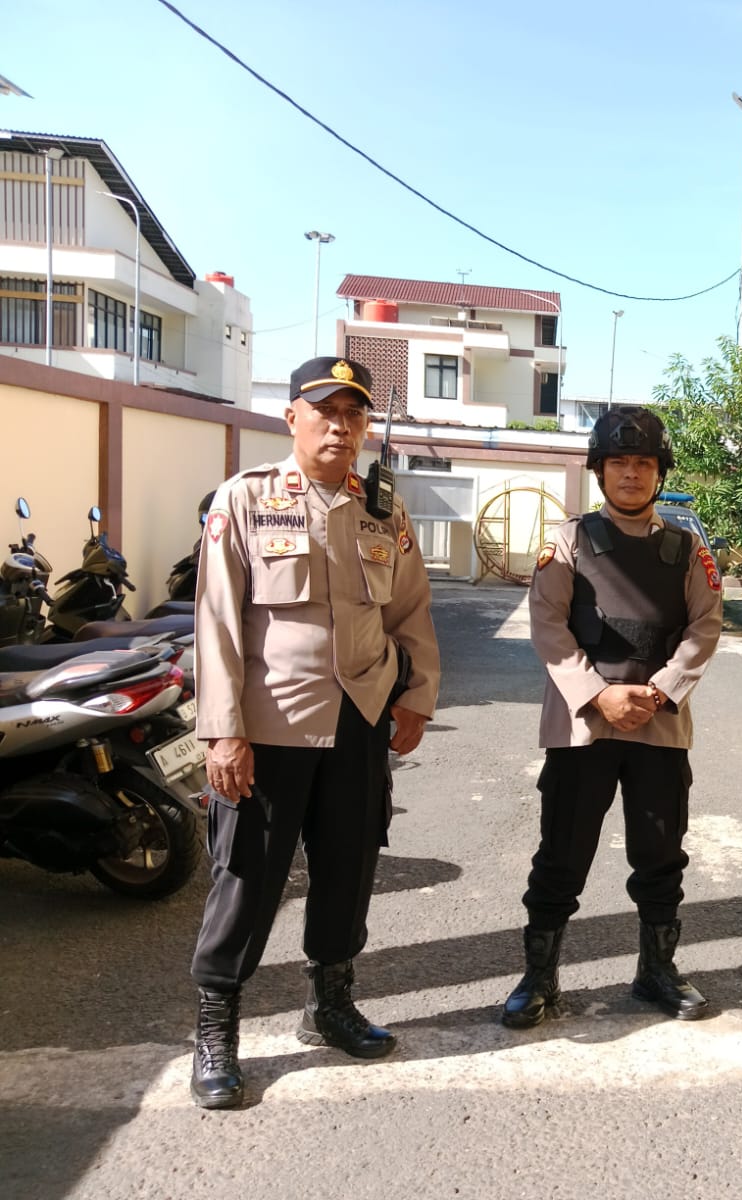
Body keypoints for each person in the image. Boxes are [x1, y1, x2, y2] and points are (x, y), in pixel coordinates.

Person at [188, 356, 440, 1110]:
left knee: (348, 867)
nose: (340, 425)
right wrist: (222, 732)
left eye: (353, 413)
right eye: (325, 410)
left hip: (359, 717)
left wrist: (417, 697)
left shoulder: (382, 511)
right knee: (248, 878)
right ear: (291, 416)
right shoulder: (246, 498)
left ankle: (329, 1005)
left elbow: (410, 612)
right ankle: (217, 1029)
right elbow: (217, 622)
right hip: (271, 725)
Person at [502, 405, 722, 1029]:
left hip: (660, 722)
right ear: (599, 471)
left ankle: (657, 971)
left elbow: (706, 626)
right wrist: (599, 695)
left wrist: (658, 691)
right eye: (619, 462)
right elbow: (548, 624)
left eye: (643, 463)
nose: (631, 473)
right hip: (582, 726)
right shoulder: (568, 541)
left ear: (659, 472)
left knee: (661, 854)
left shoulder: (687, 548)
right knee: (562, 853)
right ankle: (539, 977)